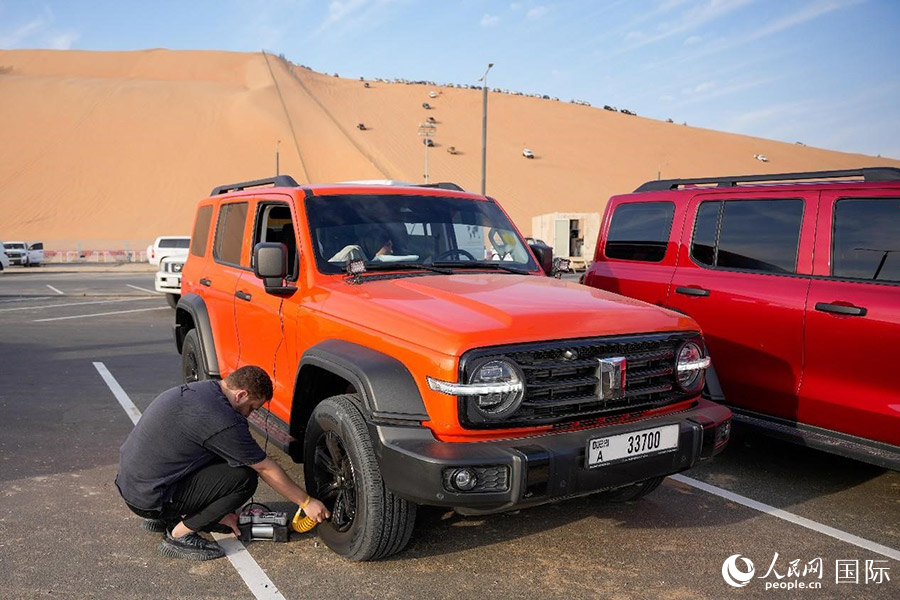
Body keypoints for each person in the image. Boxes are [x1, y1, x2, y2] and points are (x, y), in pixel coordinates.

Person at [115, 366, 329, 561]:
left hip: (133, 487)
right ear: (241, 395)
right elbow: (264, 467)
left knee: (225, 457)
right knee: (243, 479)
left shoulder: (203, 390)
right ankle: (178, 535)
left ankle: (164, 518)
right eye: (252, 407)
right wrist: (306, 501)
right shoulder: (223, 419)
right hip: (151, 499)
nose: (251, 414)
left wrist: (218, 512)